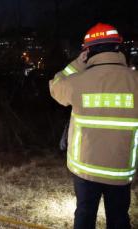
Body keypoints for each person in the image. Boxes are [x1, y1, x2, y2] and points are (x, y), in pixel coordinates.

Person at [49, 23, 138, 229]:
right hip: (120, 170)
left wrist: (77, 64)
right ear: (118, 47)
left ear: (87, 51)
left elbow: (55, 85)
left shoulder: (78, 81)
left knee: (85, 215)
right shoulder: (134, 80)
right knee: (118, 219)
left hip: (85, 169)